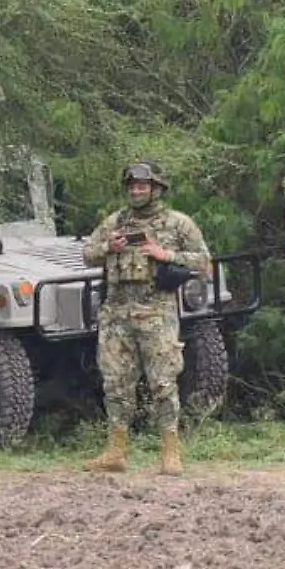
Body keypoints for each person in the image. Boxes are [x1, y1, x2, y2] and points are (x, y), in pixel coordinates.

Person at [81, 161, 212, 475]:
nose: (136, 191)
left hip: (156, 312)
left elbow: (205, 262)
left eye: (142, 186)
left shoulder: (178, 224)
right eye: (132, 186)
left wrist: (166, 255)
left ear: (156, 188)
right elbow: (87, 252)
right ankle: (116, 451)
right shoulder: (115, 221)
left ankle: (170, 452)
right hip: (116, 312)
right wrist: (107, 247)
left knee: (163, 382)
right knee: (115, 382)